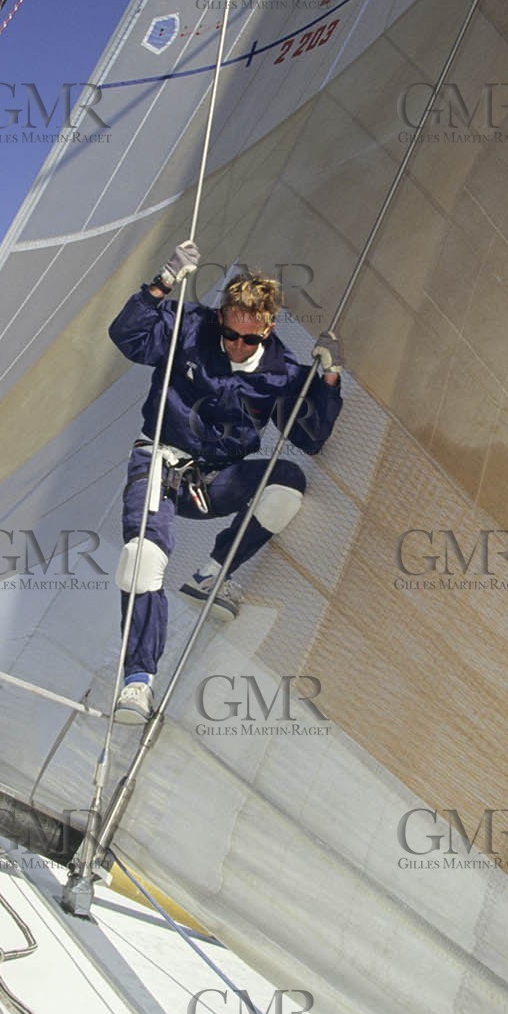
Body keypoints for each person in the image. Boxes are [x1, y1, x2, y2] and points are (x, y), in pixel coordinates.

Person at [107, 243, 343, 724]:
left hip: (216, 481)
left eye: (248, 340)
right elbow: (128, 338)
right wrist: (164, 282)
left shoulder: (281, 373)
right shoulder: (190, 328)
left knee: (287, 484)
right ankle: (137, 682)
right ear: (221, 320)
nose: (236, 345)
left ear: (268, 329)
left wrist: (330, 378)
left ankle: (213, 574)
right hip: (162, 461)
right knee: (141, 558)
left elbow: (311, 436)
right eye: (229, 333)